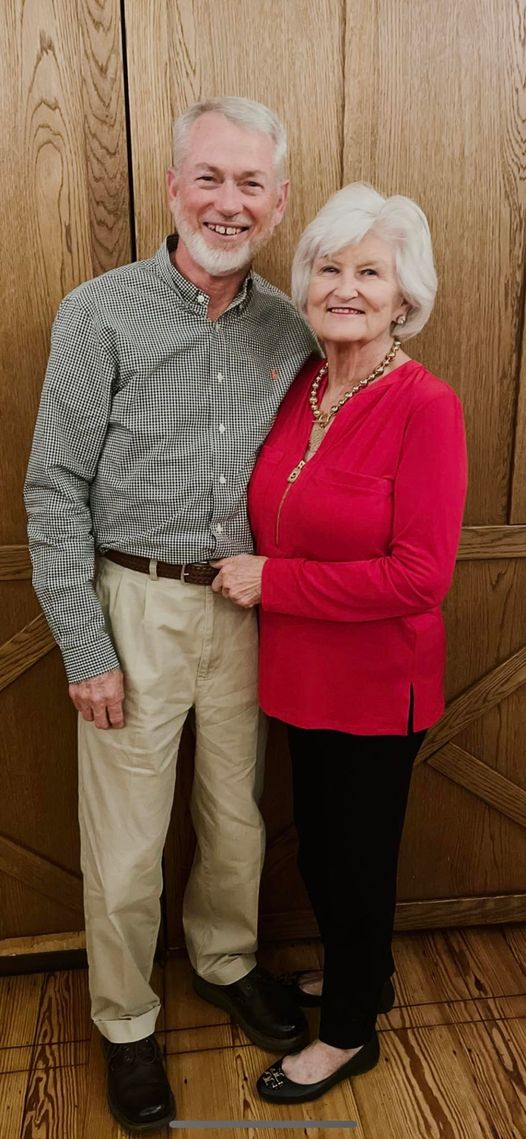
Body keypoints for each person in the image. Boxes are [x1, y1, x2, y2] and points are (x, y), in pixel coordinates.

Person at [24, 96, 318, 1131]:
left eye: (250, 183)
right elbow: (53, 488)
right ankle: (125, 1019)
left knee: (237, 816)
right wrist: (85, 645)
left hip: (245, 604)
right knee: (126, 840)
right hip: (131, 601)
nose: (227, 202)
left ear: (278, 201)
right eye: (210, 177)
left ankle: (226, 961)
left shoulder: (293, 325)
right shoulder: (98, 312)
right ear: (172, 186)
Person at [212, 182, 468, 1104]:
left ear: (404, 298)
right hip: (300, 675)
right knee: (322, 851)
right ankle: (367, 976)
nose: (345, 287)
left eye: (370, 272)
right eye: (329, 268)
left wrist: (274, 582)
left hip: (377, 684)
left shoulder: (426, 405)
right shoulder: (304, 385)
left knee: (354, 863)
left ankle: (350, 1032)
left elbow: (420, 576)